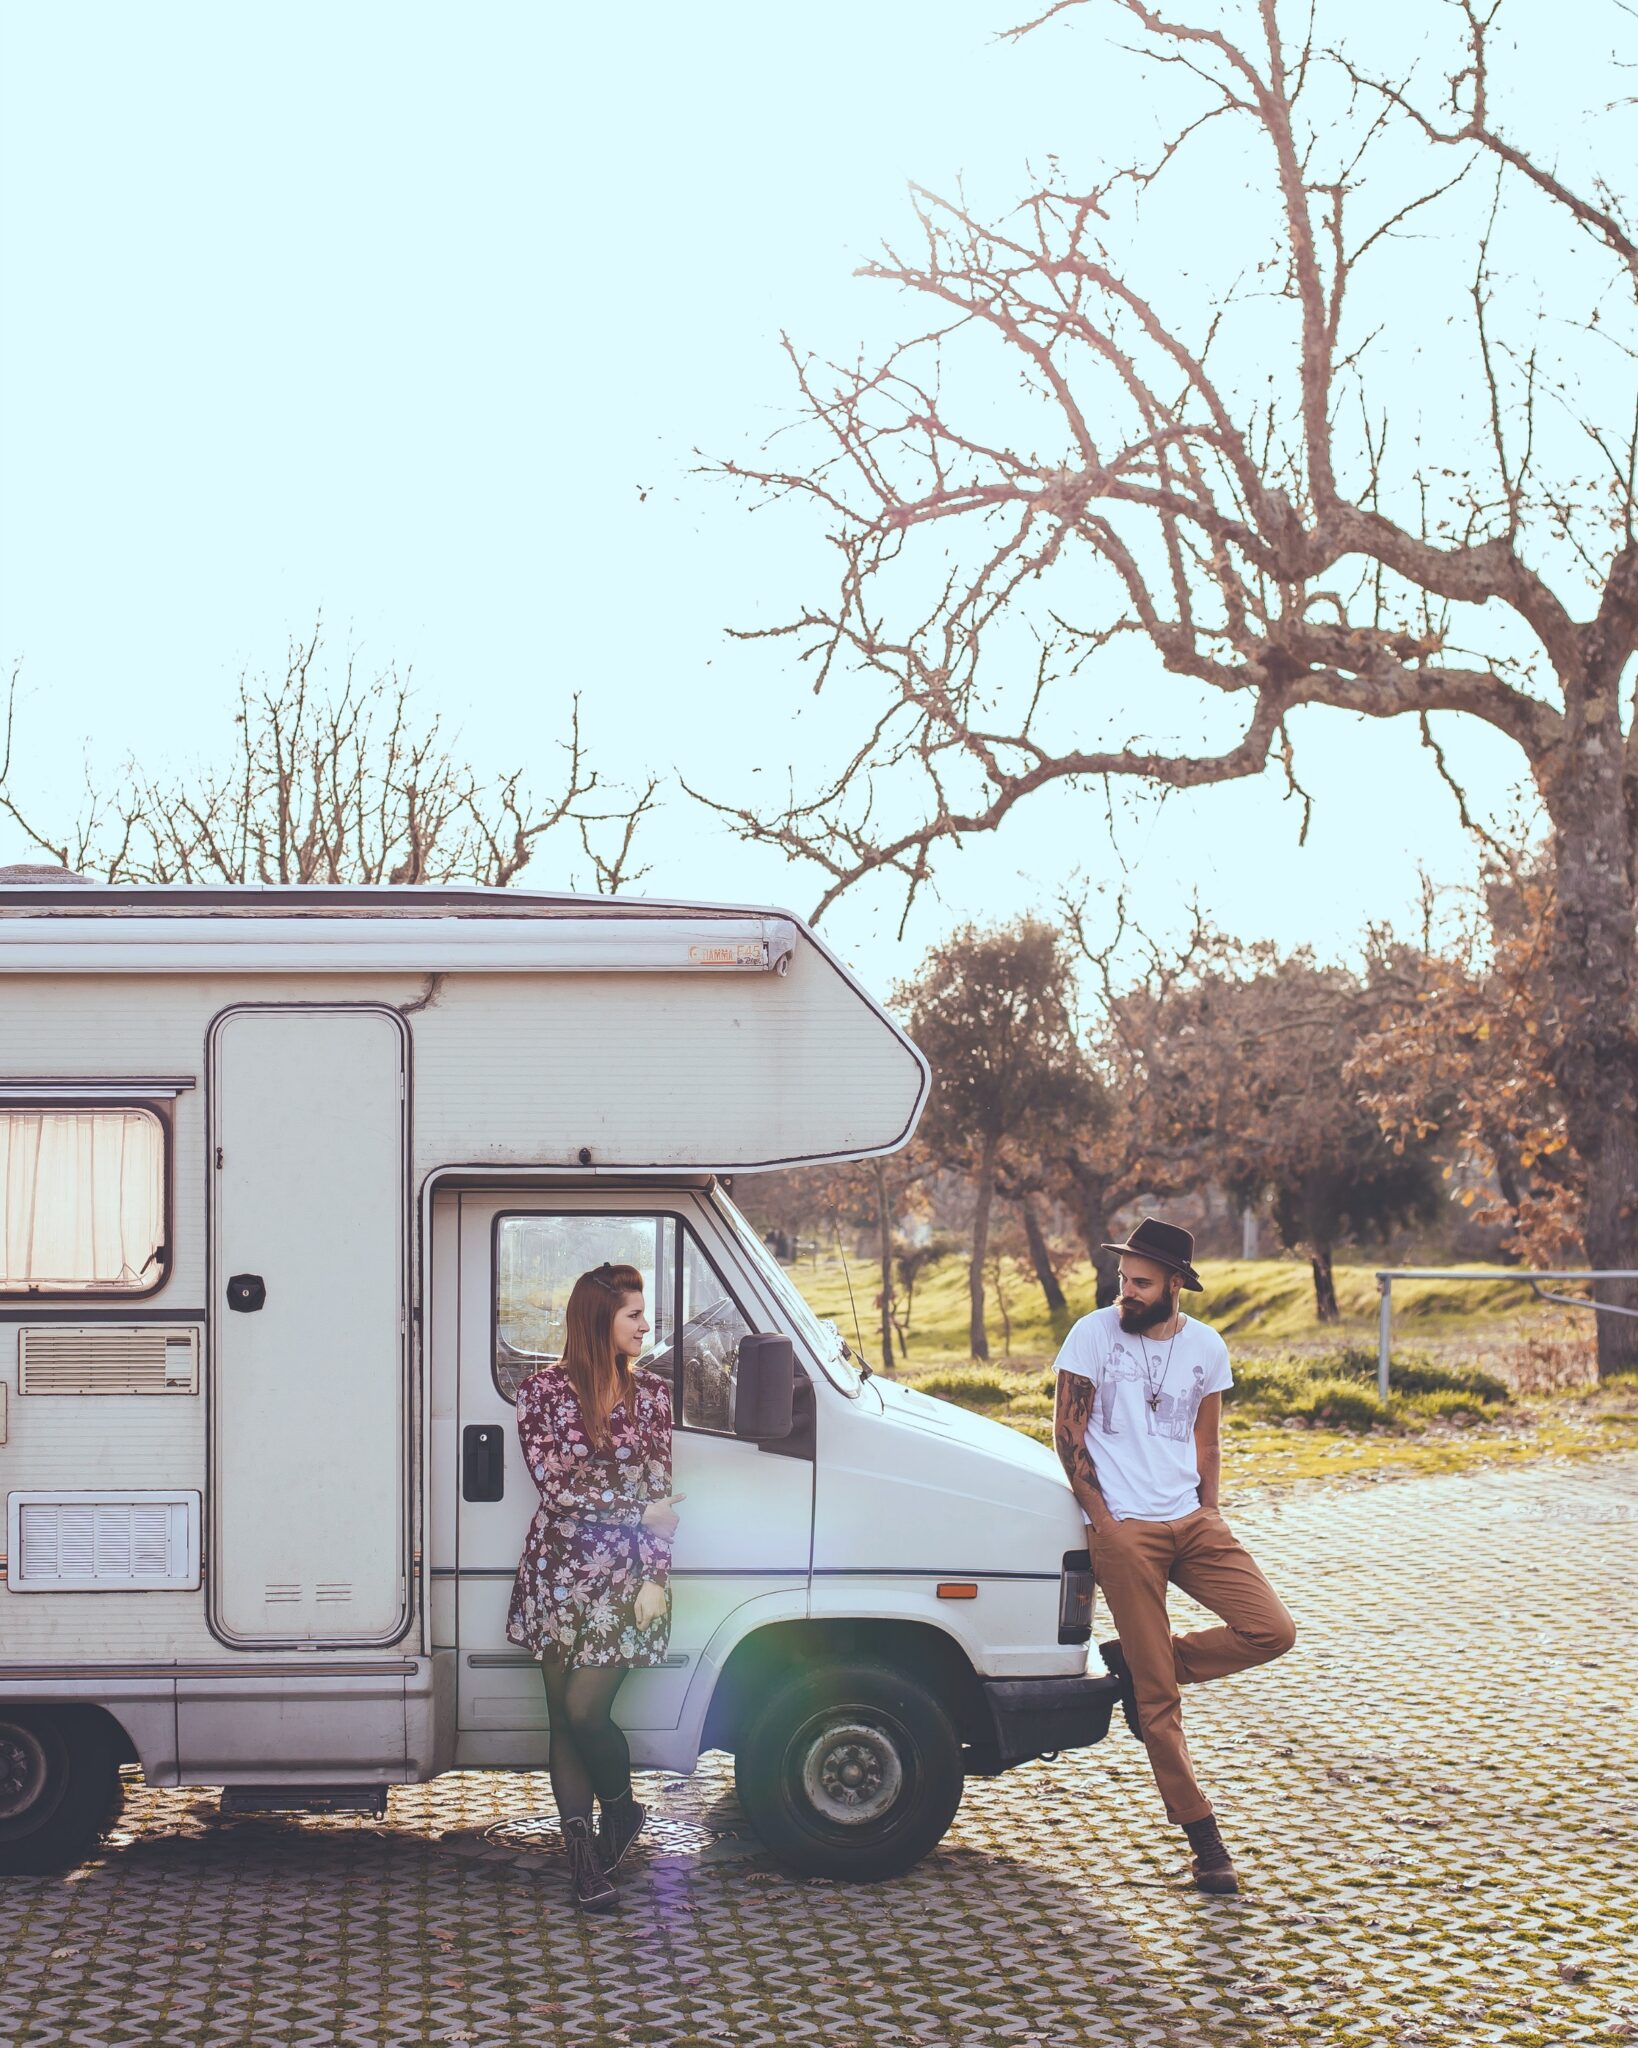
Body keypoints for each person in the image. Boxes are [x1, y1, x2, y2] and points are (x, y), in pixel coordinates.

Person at [1052, 1218, 1296, 1895]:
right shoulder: (1091, 1335)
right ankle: (1206, 1843)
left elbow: (1207, 1440)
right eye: (1123, 1279)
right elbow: (1066, 1433)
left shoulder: (1206, 1347)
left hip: (1192, 1520)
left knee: (1272, 1630)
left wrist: (1209, 1509)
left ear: (1176, 1287)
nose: (1125, 1292)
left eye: (1141, 1283)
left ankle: (1140, 1661)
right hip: (1125, 1529)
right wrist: (1105, 1522)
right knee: (1159, 1704)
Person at [506, 1260, 683, 1912]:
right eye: (633, 1314)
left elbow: (661, 1497)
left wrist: (655, 1578)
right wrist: (636, 1510)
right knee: (563, 1719)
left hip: (626, 1579)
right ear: (596, 1320)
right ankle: (583, 1861)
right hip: (557, 1574)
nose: (645, 1324)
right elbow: (556, 1484)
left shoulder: (655, 1397)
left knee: (586, 1712)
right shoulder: (541, 1393)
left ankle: (621, 1808)